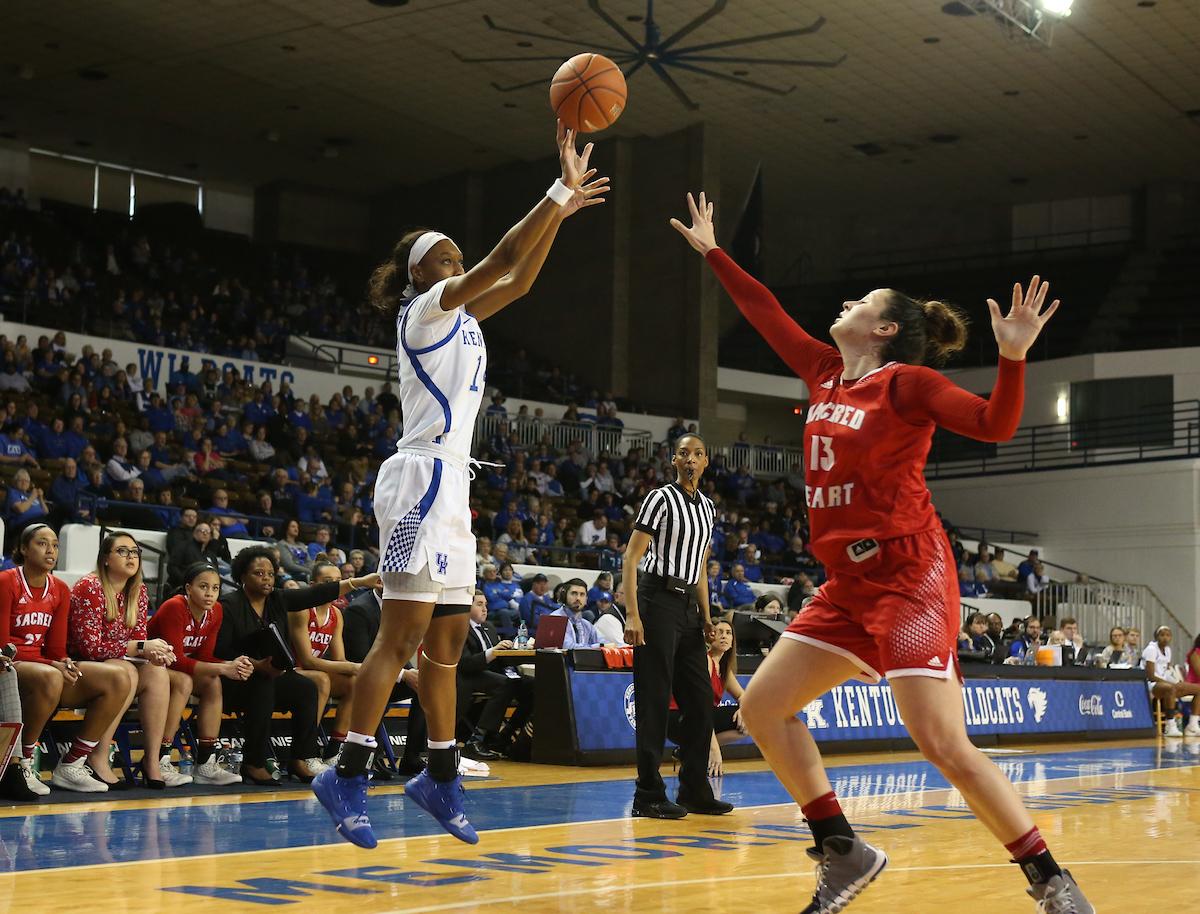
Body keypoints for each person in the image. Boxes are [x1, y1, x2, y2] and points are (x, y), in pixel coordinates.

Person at [672, 190, 1091, 912]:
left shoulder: (908, 383)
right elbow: (765, 311)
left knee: (941, 743)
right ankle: (843, 851)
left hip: (909, 577)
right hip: (846, 584)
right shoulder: (823, 372)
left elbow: (994, 425)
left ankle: (1051, 882)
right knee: (762, 709)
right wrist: (715, 252)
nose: (847, 303)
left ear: (885, 328)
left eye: (861, 302)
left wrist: (1013, 357)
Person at [312, 121, 606, 850]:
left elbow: (520, 277)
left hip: (451, 486)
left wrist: (561, 217)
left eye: (458, 258)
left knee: (444, 647)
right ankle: (346, 774)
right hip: (418, 478)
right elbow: (504, 257)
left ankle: (439, 777)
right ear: (420, 275)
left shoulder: (465, 318)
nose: (458, 264)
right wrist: (557, 190)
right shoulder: (424, 311)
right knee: (400, 638)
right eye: (445, 259)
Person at [622, 433, 732, 820]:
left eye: (697, 454)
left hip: (688, 607)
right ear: (674, 460)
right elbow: (631, 559)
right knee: (654, 699)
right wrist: (633, 615)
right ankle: (647, 794)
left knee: (701, 701)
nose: (691, 459)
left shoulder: (708, 507)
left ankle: (694, 789)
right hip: (657, 600)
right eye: (684, 453)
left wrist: (706, 616)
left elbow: (699, 566)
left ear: (705, 462)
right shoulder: (660, 498)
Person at [0, 525, 131, 797]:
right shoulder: (6, 582)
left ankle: (72, 763)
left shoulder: (60, 588)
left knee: (118, 677)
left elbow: (57, 648)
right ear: (23, 549)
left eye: (55, 545)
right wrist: (53, 665)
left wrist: (64, 662)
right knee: (51, 676)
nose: (50, 550)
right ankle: (24, 762)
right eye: (42, 544)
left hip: (44, 669)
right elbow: (4, 647)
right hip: (9, 667)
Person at [68, 531, 184, 788]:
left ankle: (152, 761)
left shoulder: (138, 590)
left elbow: (139, 639)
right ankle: (98, 756)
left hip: (116, 663)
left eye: (135, 552)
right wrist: (141, 647)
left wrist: (154, 653)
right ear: (105, 558)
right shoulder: (90, 587)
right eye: (122, 551)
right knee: (126, 671)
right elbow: (89, 648)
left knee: (157, 672)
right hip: (78, 665)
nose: (131, 557)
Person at [148, 564, 254, 786]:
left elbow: (205, 656)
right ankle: (160, 757)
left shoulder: (216, 611)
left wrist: (233, 665)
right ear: (188, 588)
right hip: (151, 665)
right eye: (203, 587)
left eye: (215, 588)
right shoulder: (174, 606)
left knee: (212, 682)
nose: (210, 593)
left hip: (174, 667)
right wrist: (224, 668)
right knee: (185, 681)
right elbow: (176, 659)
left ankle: (206, 762)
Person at [341, 582, 427, 777]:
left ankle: (412, 757)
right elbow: (360, 660)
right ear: (380, 581)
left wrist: (412, 673)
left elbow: (400, 651)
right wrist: (403, 675)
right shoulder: (358, 610)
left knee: (425, 686)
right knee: (375, 689)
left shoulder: (400, 608)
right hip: (357, 677)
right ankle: (373, 757)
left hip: (387, 676)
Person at [288, 559, 361, 761]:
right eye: (328, 581)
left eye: (338, 581)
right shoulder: (302, 610)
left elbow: (339, 659)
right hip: (289, 670)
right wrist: (353, 667)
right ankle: (306, 752)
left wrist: (360, 668)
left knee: (353, 683)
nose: (334, 586)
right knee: (322, 680)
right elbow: (307, 661)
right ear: (313, 586)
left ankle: (335, 750)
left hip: (311, 673)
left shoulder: (336, 614)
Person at [458, 592, 534, 760]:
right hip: (470, 676)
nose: (485, 609)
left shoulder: (489, 627)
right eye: (479, 604)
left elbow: (499, 659)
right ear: (466, 607)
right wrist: (494, 651)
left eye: (486, 605)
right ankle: (477, 738)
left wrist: (517, 651)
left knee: (533, 685)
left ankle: (506, 734)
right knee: (505, 683)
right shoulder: (460, 628)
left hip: (495, 674)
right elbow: (466, 662)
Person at [667, 619, 746, 778]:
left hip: (701, 716)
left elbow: (744, 696)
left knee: (752, 718)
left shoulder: (724, 668)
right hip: (678, 717)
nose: (724, 636)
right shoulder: (705, 661)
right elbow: (699, 706)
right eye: (719, 632)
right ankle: (697, 751)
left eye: (728, 633)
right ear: (709, 636)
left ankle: (688, 751)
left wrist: (744, 709)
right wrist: (714, 748)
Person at [1143, 626, 1200, 737]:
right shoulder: (1151, 649)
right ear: (1156, 637)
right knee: (1171, 688)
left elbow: (1167, 672)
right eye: (1162, 635)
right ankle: (1170, 726)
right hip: (1150, 684)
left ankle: (1192, 725)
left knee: (1198, 689)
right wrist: (1172, 684)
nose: (1165, 638)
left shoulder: (1168, 650)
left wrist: (1177, 682)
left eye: (1168, 635)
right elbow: (1150, 676)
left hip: (1165, 683)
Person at [548, 578, 606, 649]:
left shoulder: (586, 625)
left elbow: (603, 642)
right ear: (564, 596)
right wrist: (601, 646)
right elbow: (568, 647)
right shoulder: (555, 619)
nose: (578, 598)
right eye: (574, 593)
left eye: (582, 595)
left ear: (586, 600)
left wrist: (615, 646)